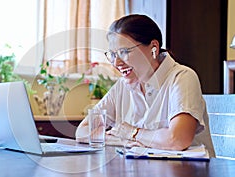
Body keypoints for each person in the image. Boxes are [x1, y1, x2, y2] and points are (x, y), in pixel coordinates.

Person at [75, 14, 215, 157]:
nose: (116, 63)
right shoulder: (122, 86)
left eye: (124, 52)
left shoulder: (182, 77)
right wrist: (119, 139)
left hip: (190, 175)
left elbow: (177, 139)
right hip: (143, 173)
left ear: (154, 48)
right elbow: (83, 131)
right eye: (112, 54)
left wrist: (131, 132)